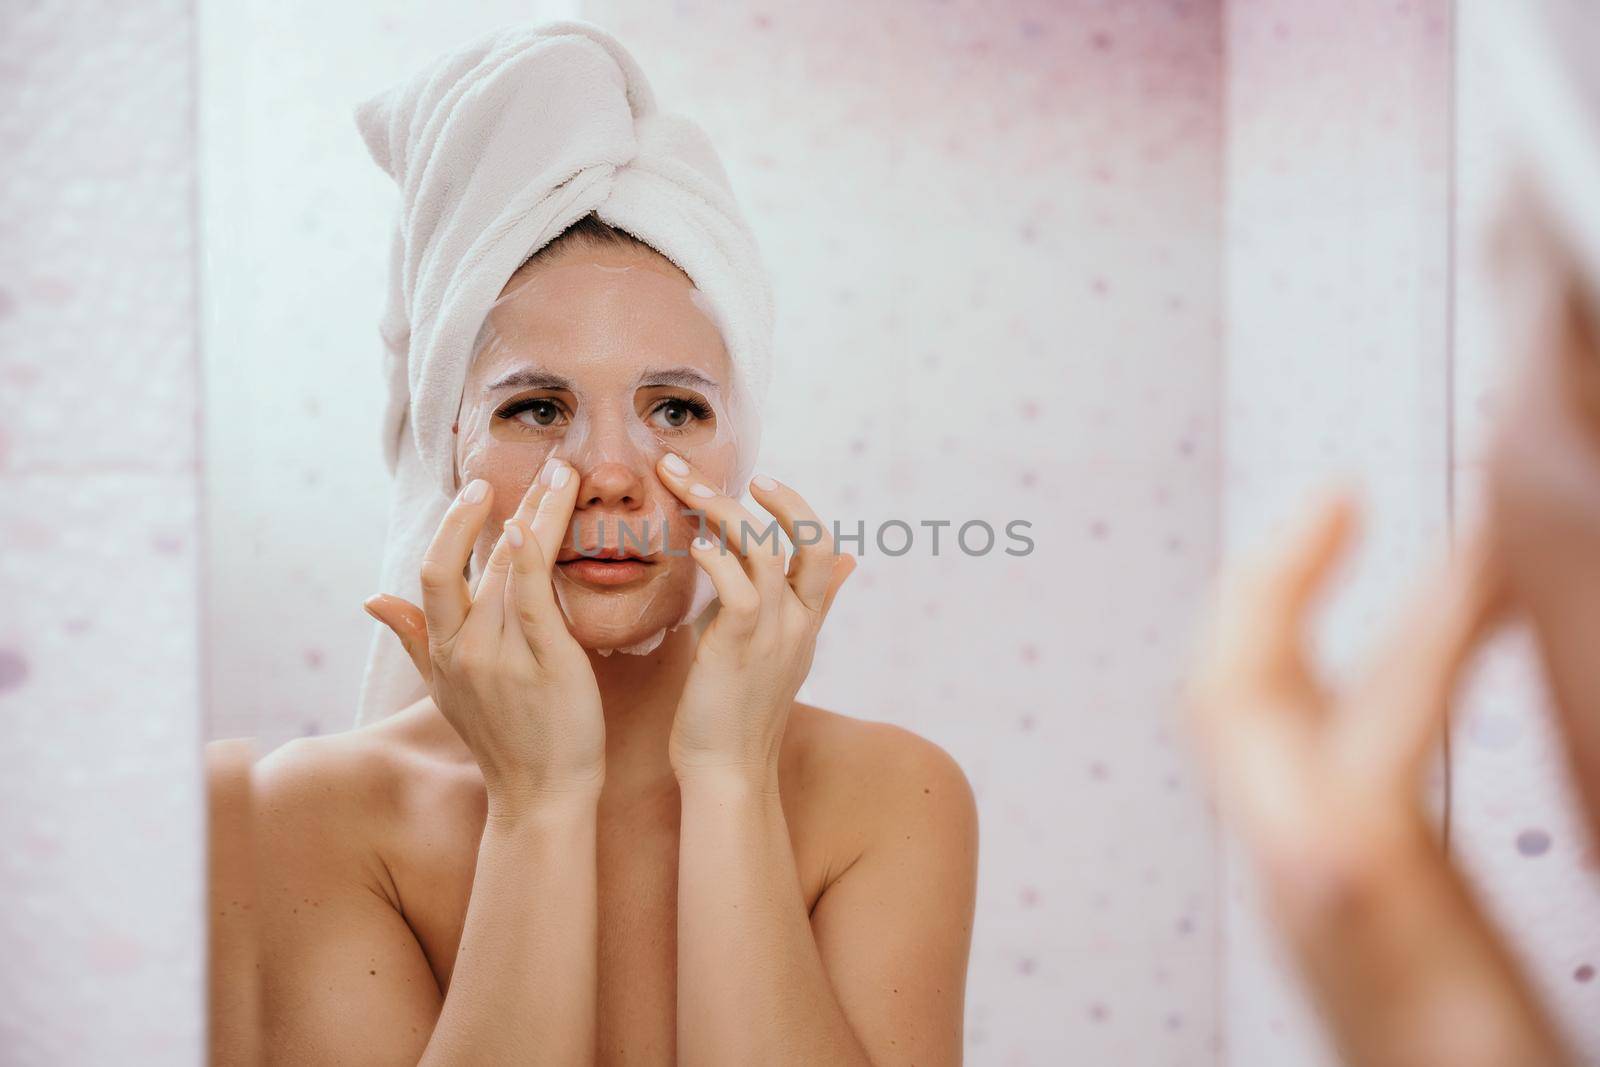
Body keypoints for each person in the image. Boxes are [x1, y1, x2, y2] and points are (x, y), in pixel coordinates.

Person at [246, 214, 978, 1066]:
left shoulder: (892, 794)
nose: (612, 474)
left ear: (737, 453)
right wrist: (537, 804)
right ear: (453, 451)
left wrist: (731, 778)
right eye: (537, 407)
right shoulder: (306, 814)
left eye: (675, 408)